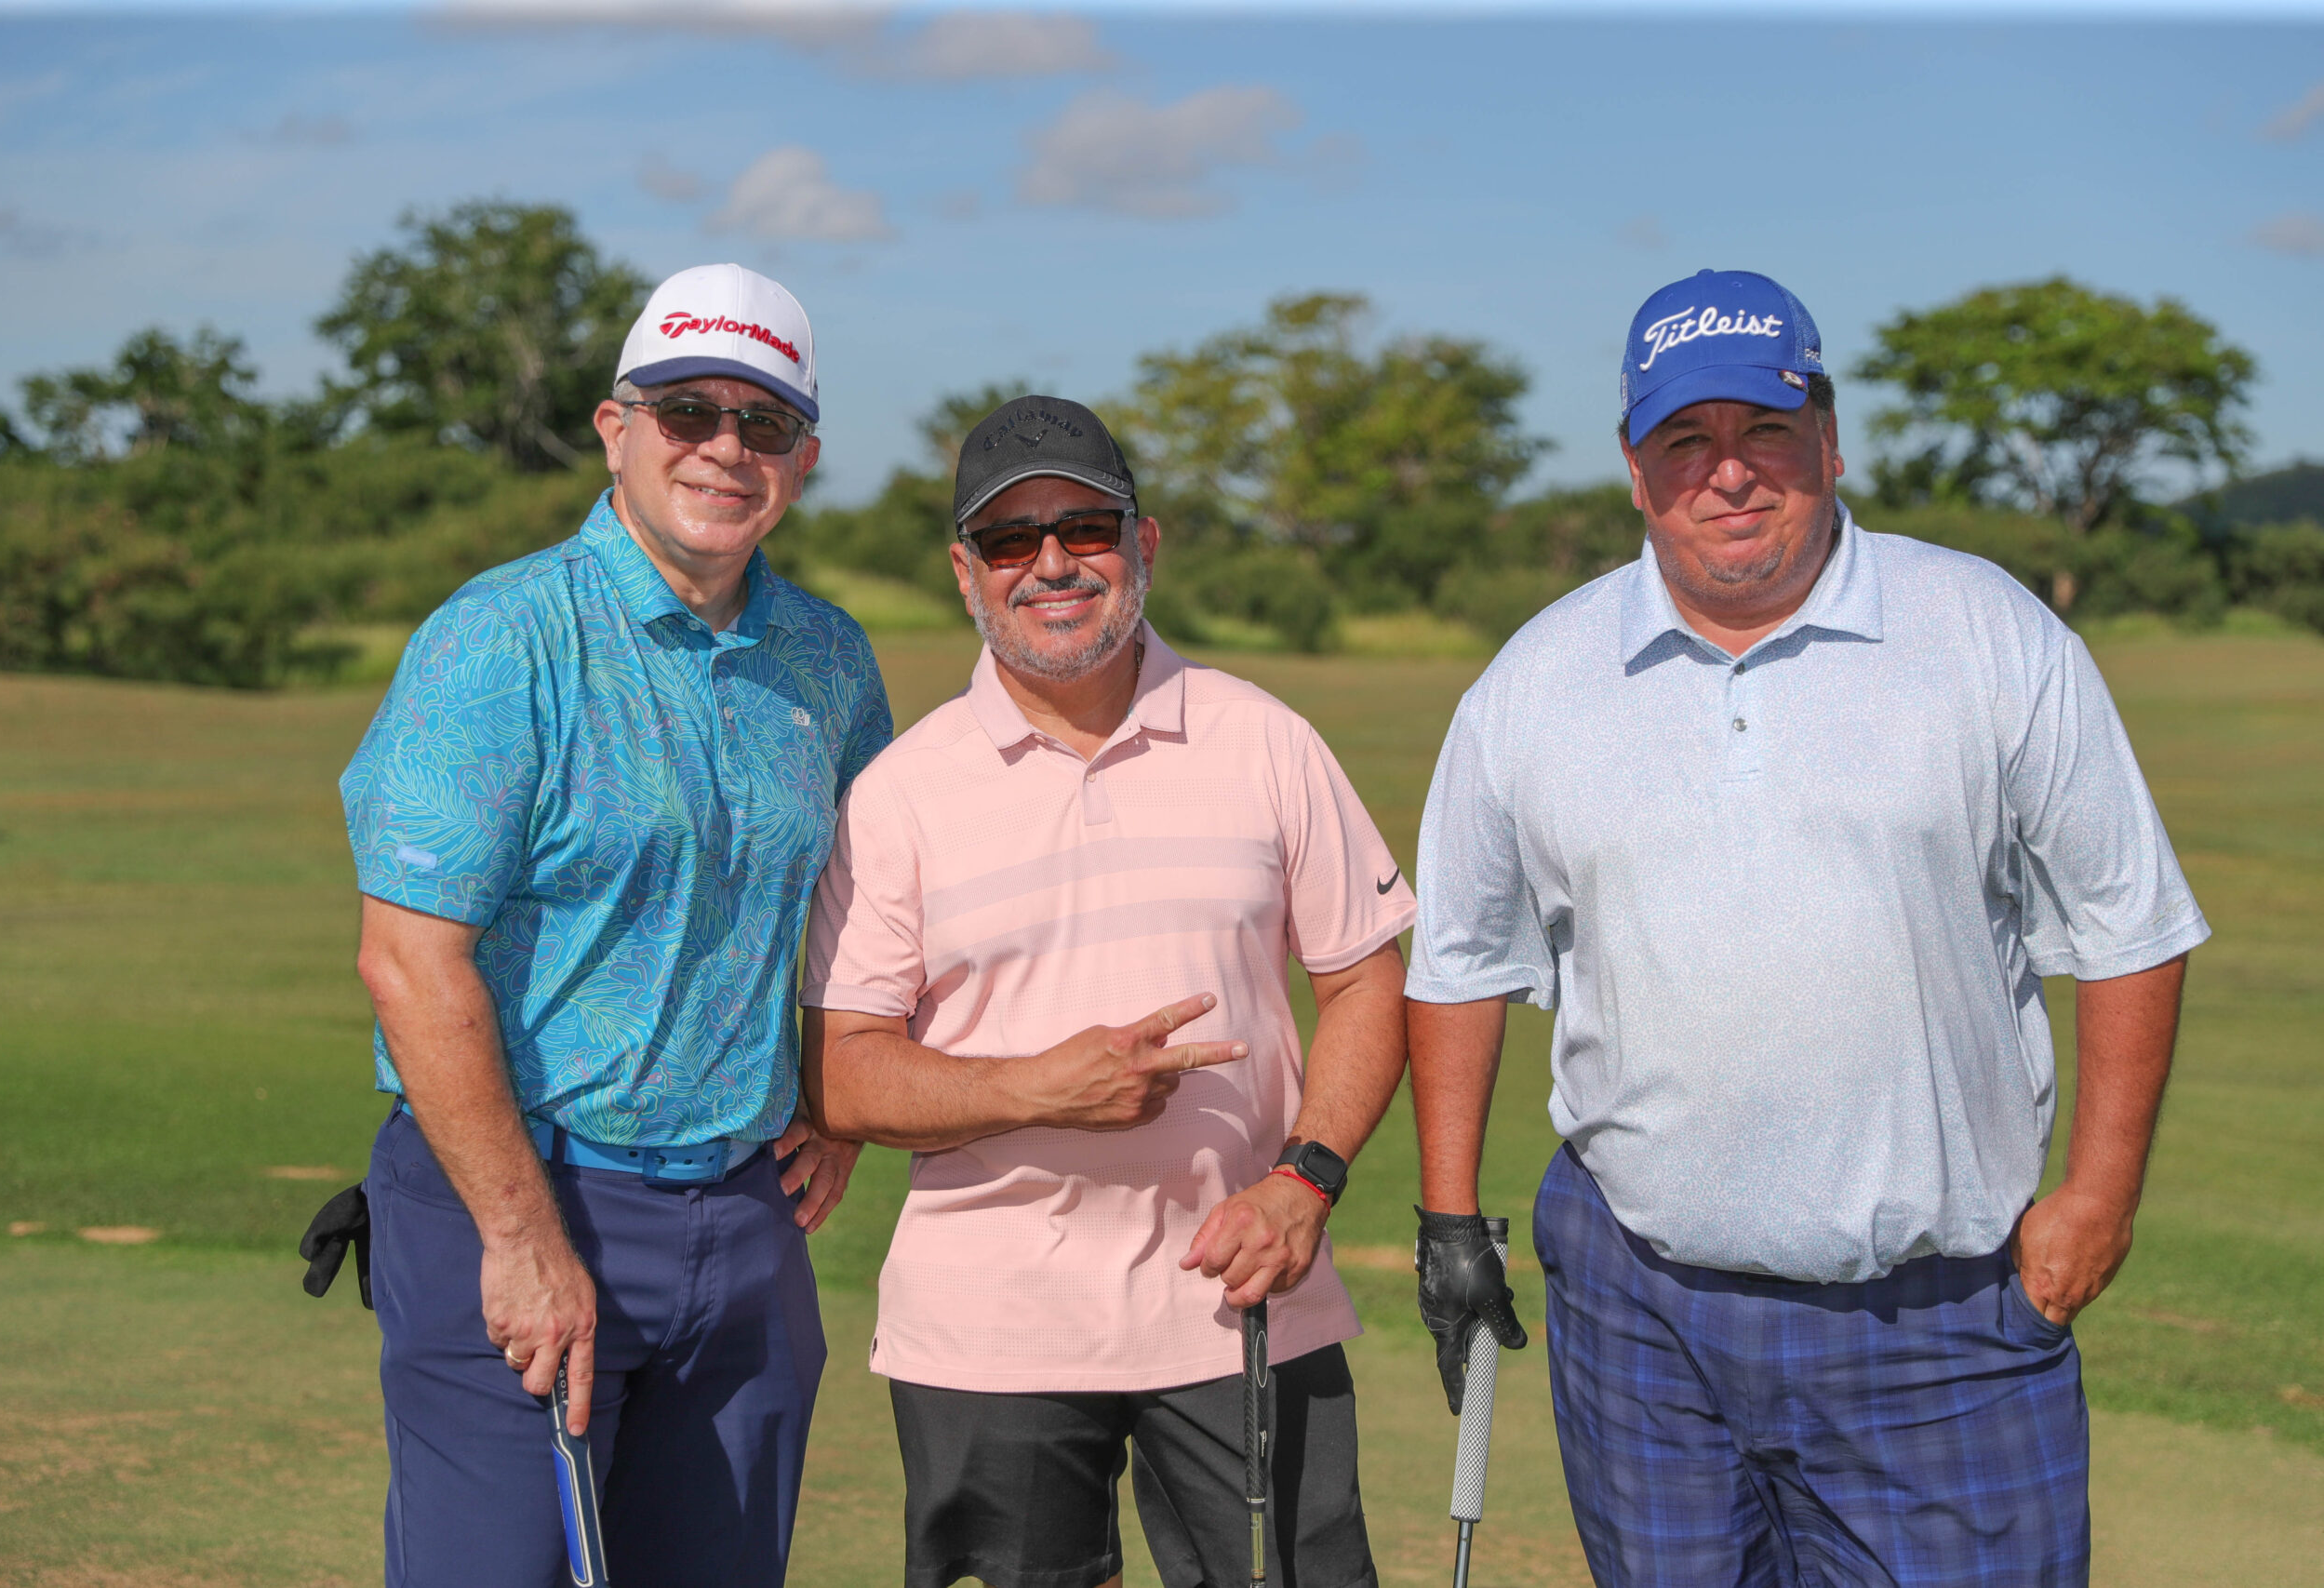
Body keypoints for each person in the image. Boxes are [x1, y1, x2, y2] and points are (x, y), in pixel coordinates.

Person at [1405, 269, 2209, 1587]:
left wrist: (2101, 1194)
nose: (1728, 471)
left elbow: (2129, 922)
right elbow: (1459, 960)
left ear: (1829, 441)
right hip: (1640, 1308)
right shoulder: (1534, 678)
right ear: (1634, 469)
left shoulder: (1985, 630)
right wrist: (1447, 1215)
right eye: (1685, 439)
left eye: (1764, 430)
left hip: (1937, 1317)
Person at [339, 261, 892, 1587]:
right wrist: (522, 1237)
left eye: (764, 424)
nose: (724, 448)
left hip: (745, 1218)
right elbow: (410, 960)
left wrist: (840, 1102)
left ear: (803, 460)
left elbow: (866, 903)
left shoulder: (828, 657)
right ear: (615, 428)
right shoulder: (502, 637)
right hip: (519, 1192)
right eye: (687, 411)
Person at [800, 395, 1411, 1588]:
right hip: (988, 1332)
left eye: (1085, 527)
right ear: (965, 573)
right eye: (1009, 539)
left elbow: (1365, 980)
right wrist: (1037, 1088)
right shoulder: (901, 790)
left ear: (1144, 544)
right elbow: (840, 1072)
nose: (1052, 563)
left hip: (1245, 1298)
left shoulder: (1265, 739)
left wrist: (1306, 1180)